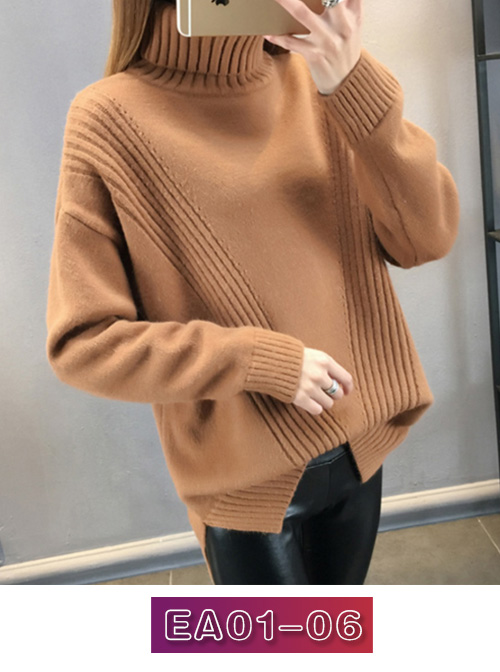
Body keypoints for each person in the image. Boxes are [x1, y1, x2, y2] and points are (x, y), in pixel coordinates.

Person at [45, 0, 460, 584]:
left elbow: (427, 238)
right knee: (274, 636)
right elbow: (84, 344)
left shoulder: (322, 79)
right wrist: (259, 361)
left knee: (334, 628)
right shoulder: (109, 118)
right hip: (248, 483)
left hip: (360, 449)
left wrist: (353, 86)